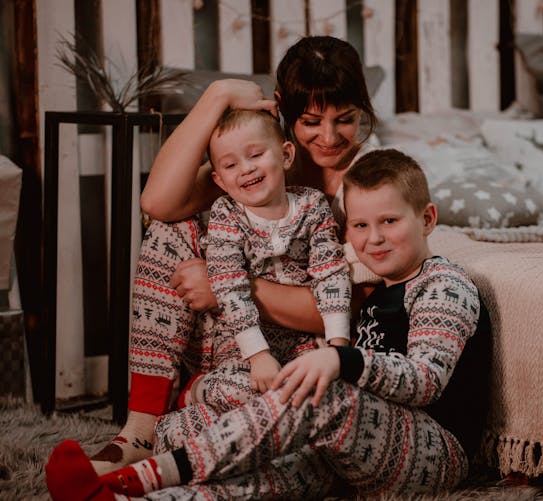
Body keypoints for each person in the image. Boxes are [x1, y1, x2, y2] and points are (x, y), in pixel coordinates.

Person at [45, 148, 492, 500]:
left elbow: (426, 381)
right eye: (360, 225)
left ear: (427, 219)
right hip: (359, 444)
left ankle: (140, 478)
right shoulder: (375, 292)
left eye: (389, 222)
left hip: (435, 452)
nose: (373, 238)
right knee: (257, 467)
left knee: (322, 395)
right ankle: (122, 499)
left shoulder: (442, 284)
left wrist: (342, 361)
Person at [85, 35, 379, 475]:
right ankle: (142, 427)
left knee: (298, 400)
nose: (330, 137)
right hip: (224, 339)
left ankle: (191, 412)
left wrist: (227, 286)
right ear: (282, 110)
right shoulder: (260, 161)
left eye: (347, 119)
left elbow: (356, 307)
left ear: (364, 109)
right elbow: (157, 203)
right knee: (171, 229)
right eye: (312, 121)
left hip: (295, 348)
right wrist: (217, 95)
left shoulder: (369, 178)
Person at [181, 108, 351, 412]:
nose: (245, 169)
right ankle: (197, 390)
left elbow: (331, 274)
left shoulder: (313, 205)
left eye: (256, 155)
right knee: (247, 391)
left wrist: (339, 349)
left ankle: (208, 428)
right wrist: (258, 355)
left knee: (318, 395)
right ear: (220, 180)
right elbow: (228, 286)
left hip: (302, 341)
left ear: (286, 155)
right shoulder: (227, 214)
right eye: (231, 165)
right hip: (240, 343)